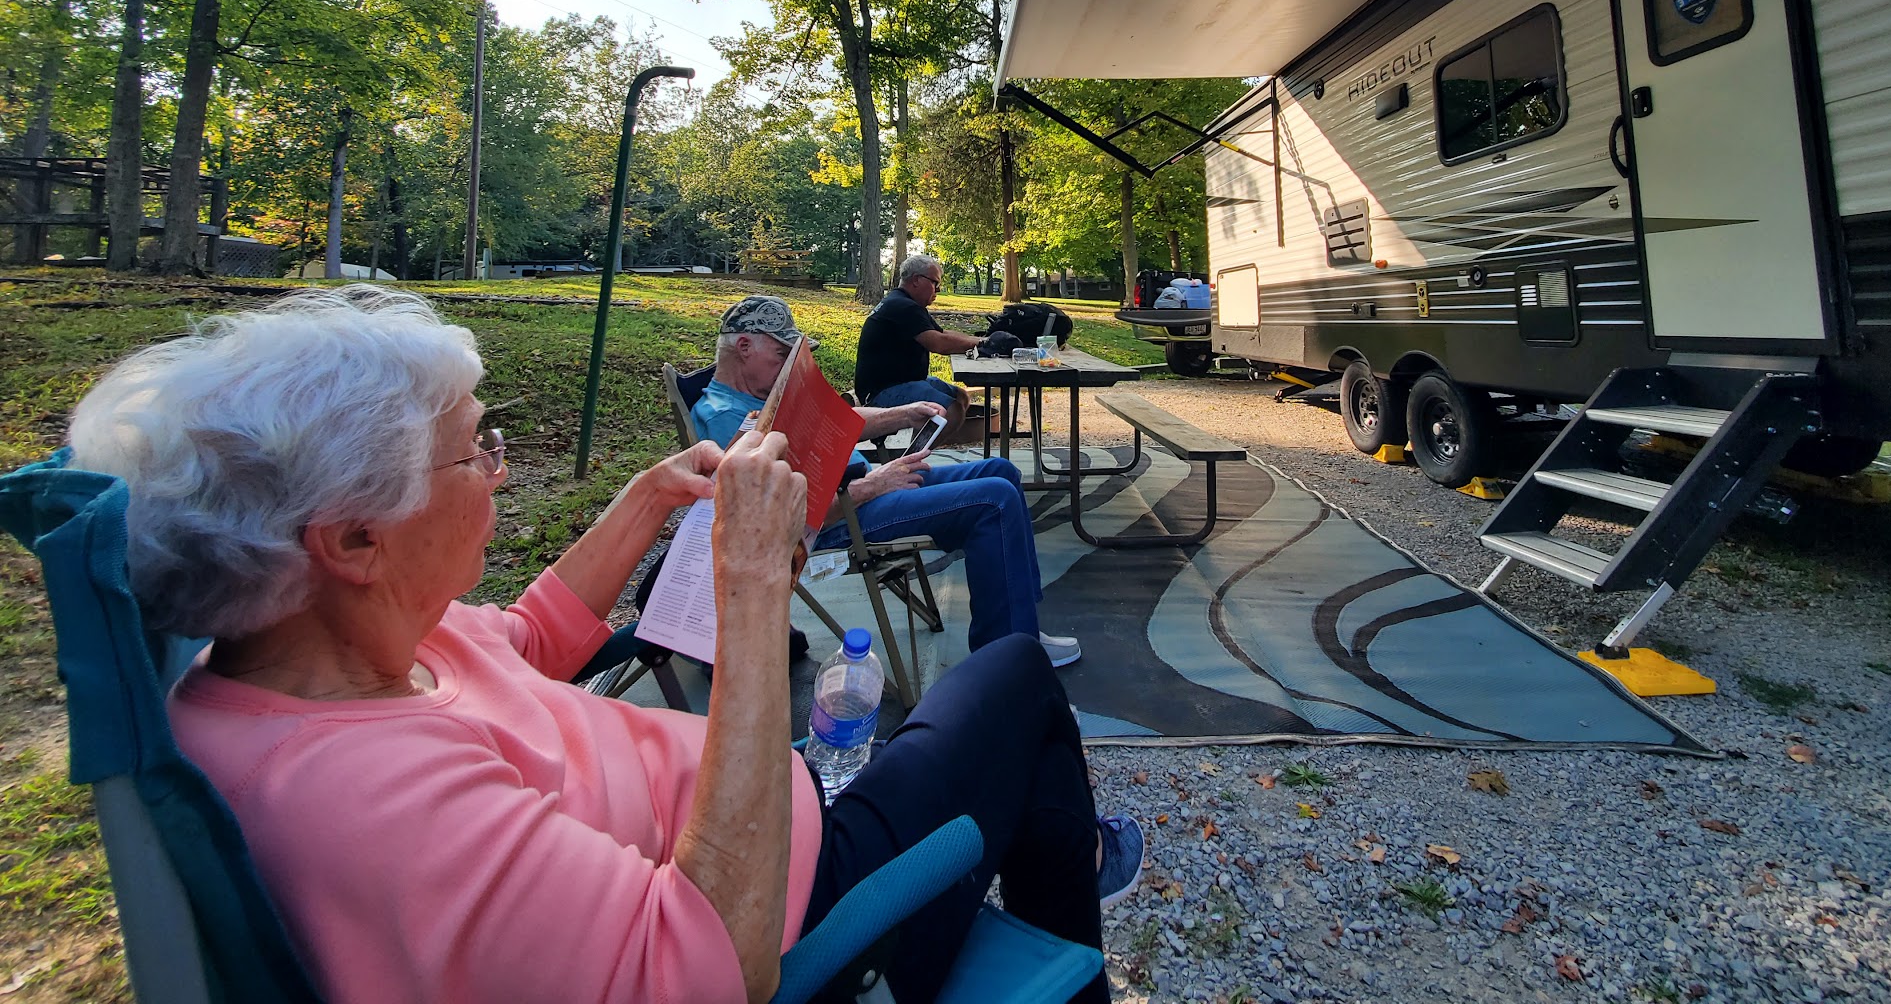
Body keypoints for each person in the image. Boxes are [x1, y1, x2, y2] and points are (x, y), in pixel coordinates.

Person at [67, 286, 1141, 1004]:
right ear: (353, 538)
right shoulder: (359, 797)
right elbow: (714, 963)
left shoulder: (352, 644)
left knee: (1003, 732)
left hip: (757, 811)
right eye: (473, 450)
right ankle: (1068, 881)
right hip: (794, 897)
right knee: (1009, 684)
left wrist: (641, 503)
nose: (498, 466)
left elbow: (528, 639)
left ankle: (1062, 849)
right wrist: (757, 581)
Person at [696, 295, 1080, 668]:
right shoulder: (727, 420)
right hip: (840, 517)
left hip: (860, 491)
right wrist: (875, 484)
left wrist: (903, 413)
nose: (790, 366)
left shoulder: (765, 397)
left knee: (1001, 472)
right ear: (744, 346)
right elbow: (785, 517)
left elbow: (841, 420)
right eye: (783, 355)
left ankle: (1020, 623)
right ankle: (1007, 655)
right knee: (994, 499)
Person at [853, 254, 981, 423]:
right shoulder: (903, 306)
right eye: (935, 282)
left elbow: (943, 334)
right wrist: (983, 344)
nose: (938, 289)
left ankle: (923, 443)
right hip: (882, 392)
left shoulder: (907, 304)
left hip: (905, 383)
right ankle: (920, 450)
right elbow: (938, 344)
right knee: (952, 410)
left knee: (961, 397)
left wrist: (984, 341)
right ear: (916, 280)